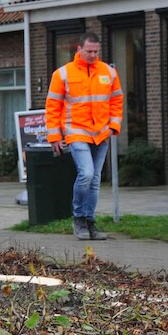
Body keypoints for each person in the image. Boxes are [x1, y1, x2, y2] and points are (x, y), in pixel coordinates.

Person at [45, 32, 123, 241]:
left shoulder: (109, 72)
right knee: (87, 174)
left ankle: (90, 222)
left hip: (101, 132)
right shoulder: (62, 74)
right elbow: (53, 107)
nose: (92, 55)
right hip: (75, 130)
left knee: (95, 180)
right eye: (89, 51)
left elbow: (116, 101)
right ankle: (79, 218)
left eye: (96, 51)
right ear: (78, 49)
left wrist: (114, 125)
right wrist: (54, 137)